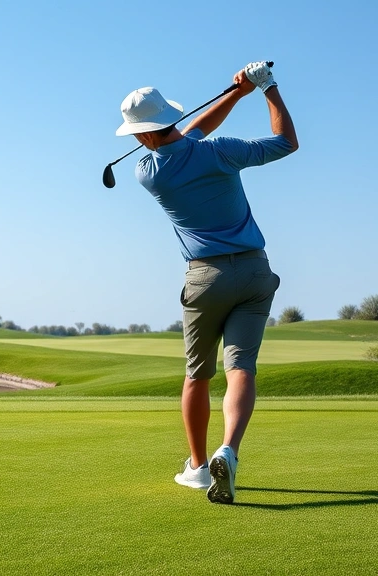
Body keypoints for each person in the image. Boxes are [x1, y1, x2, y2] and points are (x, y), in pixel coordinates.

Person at [114, 62, 298, 504]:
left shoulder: (148, 172)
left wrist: (236, 93)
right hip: (254, 272)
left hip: (205, 278)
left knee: (198, 374)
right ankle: (228, 450)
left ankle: (197, 468)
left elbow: (186, 136)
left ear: (141, 136)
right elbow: (286, 142)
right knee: (241, 368)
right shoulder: (221, 151)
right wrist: (264, 88)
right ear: (171, 117)